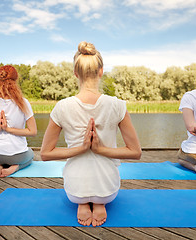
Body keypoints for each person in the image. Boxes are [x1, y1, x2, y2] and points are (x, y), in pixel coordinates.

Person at [40, 41, 141, 227]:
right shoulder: (117, 105)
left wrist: (81, 149)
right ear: (101, 71)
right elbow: (136, 152)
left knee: (79, 192)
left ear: (75, 73)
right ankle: (100, 202)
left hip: (74, 191)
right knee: (103, 192)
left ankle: (83, 202)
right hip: (108, 190)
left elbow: (45, 154)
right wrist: (100, 149)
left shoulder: (62, 107)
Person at [0, 65, 37, 178]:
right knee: (31, 155)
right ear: (15, 81)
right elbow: (33, 132)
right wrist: (8, 129)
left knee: (1, 157)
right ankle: (14, 167)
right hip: (17, 155)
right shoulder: (23, 102)